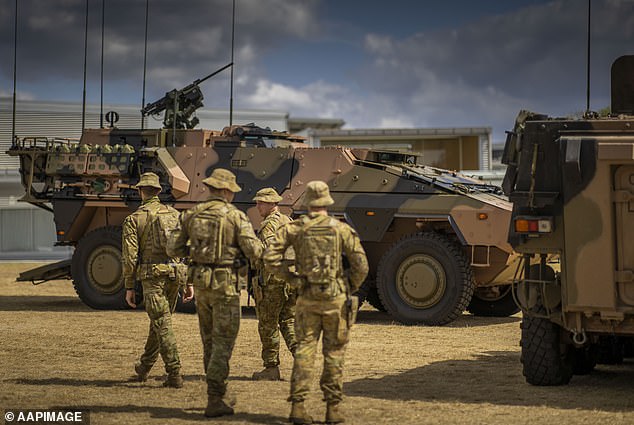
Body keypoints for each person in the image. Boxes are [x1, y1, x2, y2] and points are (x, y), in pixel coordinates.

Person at [263, 180, 369, 425]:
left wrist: (291, 279)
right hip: (335, 298)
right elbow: (361, 265)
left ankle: (298, 407)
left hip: (307, 296)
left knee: (304, 352)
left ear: (308, 203)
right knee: (334, 354)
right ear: (327, 202)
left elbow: (270, 257)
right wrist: (348, 287)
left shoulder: (295, 228)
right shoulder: (341, 229)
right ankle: (333, 409)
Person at [167, 168, 262, 418]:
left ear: (210, 188)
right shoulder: (235, 216)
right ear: (227, 191)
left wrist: (198, 252)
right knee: (223, 342)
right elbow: (254, 251)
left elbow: (172, 247)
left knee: (208, 340)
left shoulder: (191, 214)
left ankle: (215, 392)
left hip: (201, 284)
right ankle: (215, 397)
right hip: (226, 284)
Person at [122, 172, 191, 388]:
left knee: (162, 323)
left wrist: (129, 286)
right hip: (175, 275)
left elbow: (130, 256)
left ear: (141, 191)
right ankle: (144, 367)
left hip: (152, 276)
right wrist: (188, 282)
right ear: (159, 191)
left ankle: (174, 373)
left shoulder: (134, 219)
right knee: (160, 321)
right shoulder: (175, 215)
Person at [251, 187, 297, 381]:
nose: (257, 205)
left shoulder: (269, 225)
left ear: (272, 204)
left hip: (273, 280)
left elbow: (270, 252)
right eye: (258, 202)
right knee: (288, 321)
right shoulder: (288, 221)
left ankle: (271, 368)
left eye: (261, 202)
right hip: (291, 278)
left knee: (268, 324)